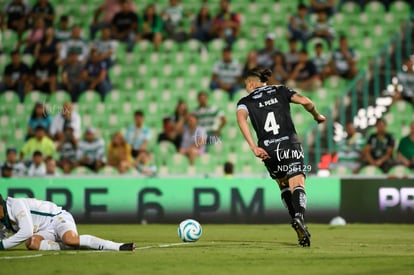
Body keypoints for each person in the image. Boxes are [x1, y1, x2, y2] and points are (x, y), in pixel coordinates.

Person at [236, 67, 326, 247]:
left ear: (252, 82)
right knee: (297, 183)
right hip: (289, 144)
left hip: (268, 150)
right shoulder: (281, 90)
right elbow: (306, 101)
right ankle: (299, 217)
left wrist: (253, 146)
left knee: (283, 185)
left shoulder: (244, 102)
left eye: (246, 84)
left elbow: (241, 120)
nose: (246, 87)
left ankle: (296, 222)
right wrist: (317, 116)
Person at [0, 194, 135, 251]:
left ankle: (116, 246)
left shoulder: (16, 204)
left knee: (70, 239)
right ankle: (69, 246)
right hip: (44, 231)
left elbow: (27, 231)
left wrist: (2, 245)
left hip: (57, 218)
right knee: (32, 243)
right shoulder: (3, 220)